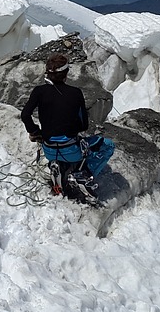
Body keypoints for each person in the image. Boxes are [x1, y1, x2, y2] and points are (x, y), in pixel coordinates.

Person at [19, 54, 115, 204]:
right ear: (66, 73)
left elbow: (25, 115)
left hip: (49, 150)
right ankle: (83, 174)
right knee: (108, 145)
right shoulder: (75, 93)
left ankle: (58, 166)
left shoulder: (39, 91)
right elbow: (83, 125)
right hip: (72, 150)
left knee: (60, 149)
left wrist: (35, 132)